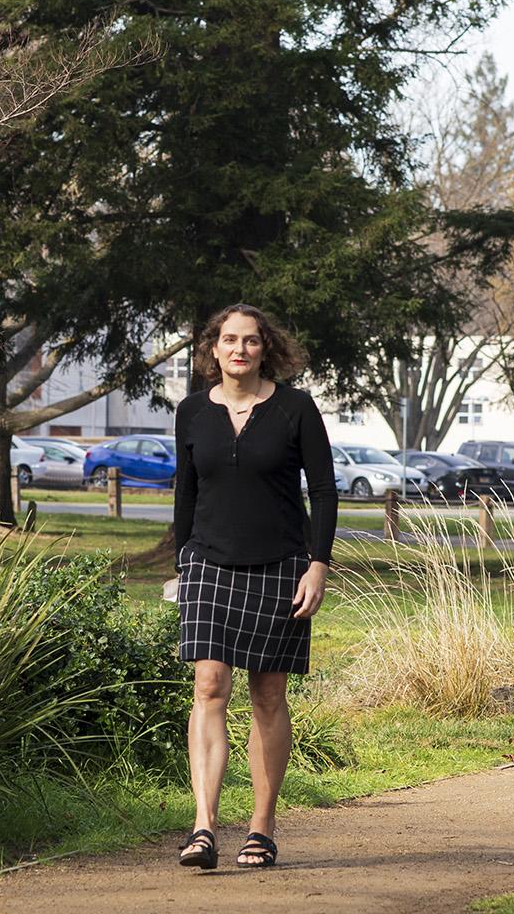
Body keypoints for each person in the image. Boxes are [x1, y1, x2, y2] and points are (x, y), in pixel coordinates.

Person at [173, 304, 336, 871]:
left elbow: (323, 490)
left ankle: (261, 828)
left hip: (281, 566)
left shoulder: (295, 408)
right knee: (209, 687)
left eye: (250, 341)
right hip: (208, 566)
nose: (238, 349)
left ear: (266, 349)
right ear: (213, 350)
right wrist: (182, 562)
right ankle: (203, 828)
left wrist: (317, 565)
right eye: (228, 340)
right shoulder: (192, 411)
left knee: (267, 696)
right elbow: (185, 494)